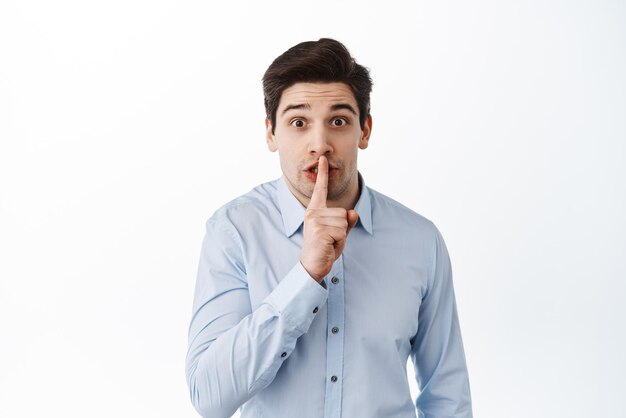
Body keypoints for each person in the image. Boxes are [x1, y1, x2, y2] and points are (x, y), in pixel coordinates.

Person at [185, 38, 472, 418]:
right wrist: (305, 277)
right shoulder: (234, 231)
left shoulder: (420, 240)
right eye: (298, 122)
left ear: (364, 131)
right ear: (271, 133)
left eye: (338, 121)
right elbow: (209, 396)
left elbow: (447, 396)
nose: (319, 144)